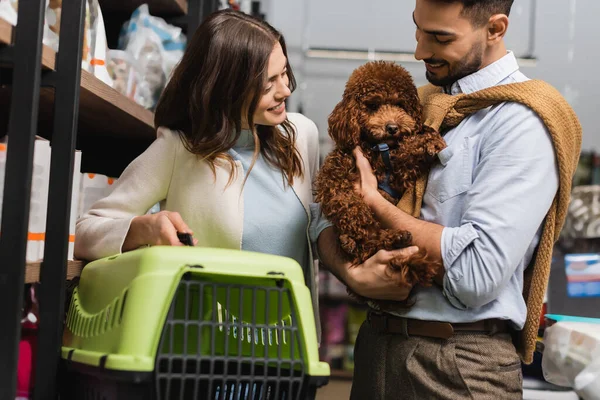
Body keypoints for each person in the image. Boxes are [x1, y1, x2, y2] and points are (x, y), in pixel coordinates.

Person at [315, 0, 582, 399]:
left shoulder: (521, 123)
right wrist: (351, 273)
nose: (421, 50)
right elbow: (320, 217)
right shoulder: (413, 104)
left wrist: (377, 204)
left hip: (458, 364)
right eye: (418, 29)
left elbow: (476, 275)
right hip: (377, 349)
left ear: (495, 28)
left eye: (440, 37)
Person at [75, 10, 334, 329]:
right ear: (229, 87)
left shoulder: (300, 136)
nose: (285, 91)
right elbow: (86, 230)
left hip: (293, 345)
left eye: (284, 74)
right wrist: (146, 228)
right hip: (212, 352)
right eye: (269, 84)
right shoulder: (179, 149)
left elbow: (317, 230)